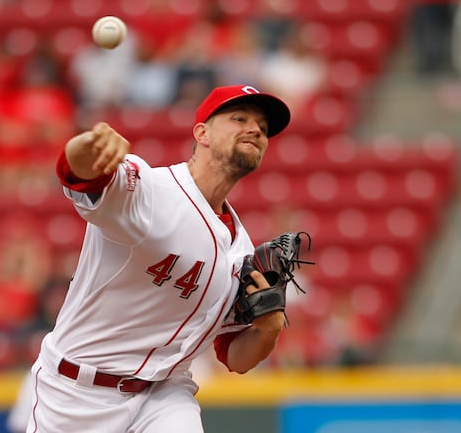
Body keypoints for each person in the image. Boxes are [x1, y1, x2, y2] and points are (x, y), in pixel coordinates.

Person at [23, 85, 292, 433]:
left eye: (263, 127)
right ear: (202, 133)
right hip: (76, 393)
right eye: (239, 118)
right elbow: (80, 173)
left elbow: (236, 358)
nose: (255, 129)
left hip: (164, 395)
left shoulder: (240, 249)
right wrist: (88, 145)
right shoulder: (150, 190)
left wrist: (268, 330)